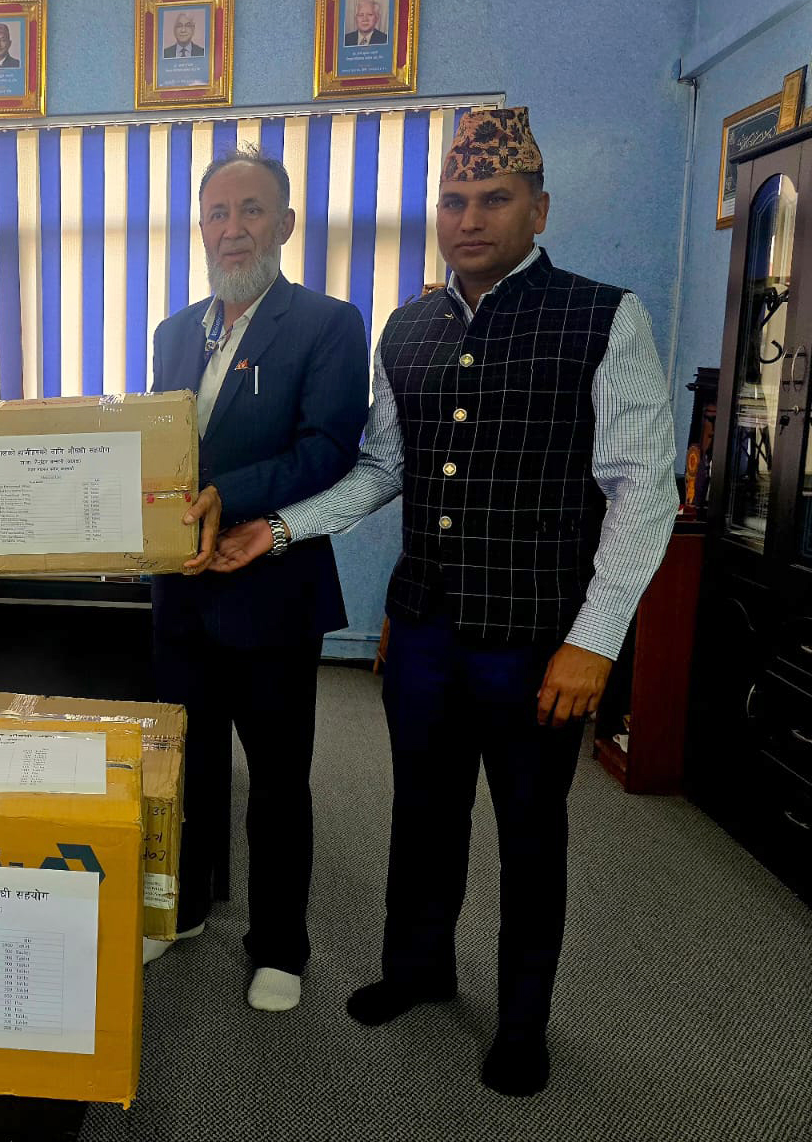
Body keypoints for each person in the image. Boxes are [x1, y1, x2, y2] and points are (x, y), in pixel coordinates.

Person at [213, 108, 678, 1094]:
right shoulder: (408, 325)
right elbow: (383, 468)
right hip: (422, 628)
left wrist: (595, 641)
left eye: (493, 200)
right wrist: (281, 529)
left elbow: (645, 489)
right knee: (423, 815)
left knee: (530, 833)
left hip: (537, 639)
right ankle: (418, 969)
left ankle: (522, 1022)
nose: (469, 219)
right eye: (454, 201)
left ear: (537, 208)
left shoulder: (605, 316)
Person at [148, 147, 369, 1014]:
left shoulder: (327, 323)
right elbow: (160, 452)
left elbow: (328, 450)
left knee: (277, 781)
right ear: (200, 227)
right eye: (218, 212)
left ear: (285, 223)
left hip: (272, 588)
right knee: (186, 766)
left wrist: (228, 498)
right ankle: (186, 907)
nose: (232, 228)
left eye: (251, 210)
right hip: (182, 590)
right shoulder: (173, 331)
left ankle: (280, 946)